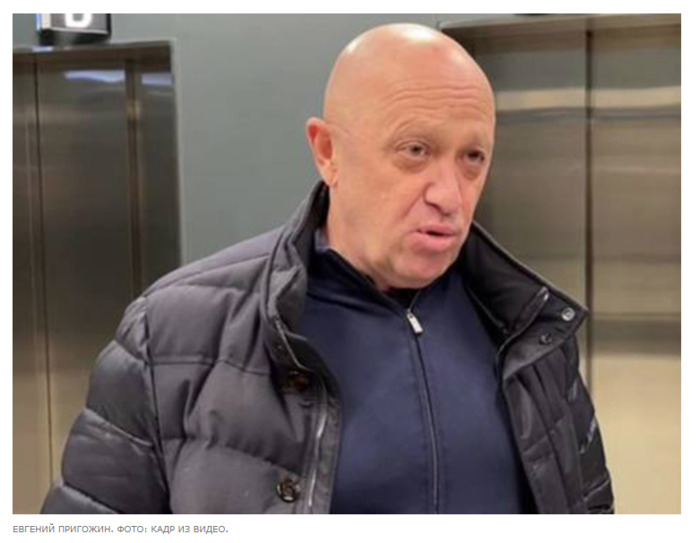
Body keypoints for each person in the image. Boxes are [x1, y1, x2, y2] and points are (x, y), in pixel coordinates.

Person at [41, 23, 613, 514]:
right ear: (328, 152)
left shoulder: (533, 334)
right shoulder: (170, 335)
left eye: (472, 157)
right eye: (415, 150)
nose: (449, 194)